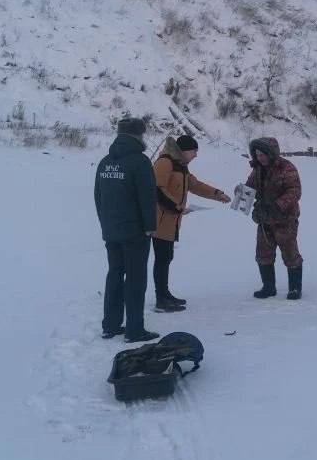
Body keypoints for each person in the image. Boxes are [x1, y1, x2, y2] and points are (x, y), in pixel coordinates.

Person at [94, 116, 159, 343]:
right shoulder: (140, 162)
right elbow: (147, 197)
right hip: (135, 232)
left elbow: (98, 197)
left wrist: (106, 224)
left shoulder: (104, 162)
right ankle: (134, 329)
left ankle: (110, 325)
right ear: (138, 136)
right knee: (135, 279)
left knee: (114, 274)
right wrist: (151, 226)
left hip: (111, 231)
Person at [152, 134, 230, 311]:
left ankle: (165, 294)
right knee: (162, 259)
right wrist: (177, 207)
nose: (195, 155)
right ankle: (161, 299)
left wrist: (217, 194)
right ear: (185, 150)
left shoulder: (181, 166)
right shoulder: (165, 162)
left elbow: (195, 185)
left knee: (166, 258)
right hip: (160, 221)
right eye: (194, 151)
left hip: (171, 221)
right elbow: (157, 190)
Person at [246, 136, 303, 300]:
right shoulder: (257, 169)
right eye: (257, 154)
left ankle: (294, 289)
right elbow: (250, 187)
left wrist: (278, 204)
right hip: (264, 220)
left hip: (285, 220)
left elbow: (295, 191)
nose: (260, 157)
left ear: (271, 153)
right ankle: (268, 287)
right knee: (263, 254)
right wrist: (241, 192)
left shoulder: (287, 168)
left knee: (290, 254)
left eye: (263, 154)